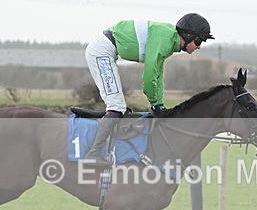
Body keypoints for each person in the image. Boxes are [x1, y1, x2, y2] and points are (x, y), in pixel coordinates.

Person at [82, 13, 214, 166]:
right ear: (188, 35)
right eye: (198, 41)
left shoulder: (169, 41)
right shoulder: (165, 39)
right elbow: (149, 76)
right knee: (116, 107)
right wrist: (154, 102)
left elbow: (158, 75)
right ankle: (93, 154)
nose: (198, 46)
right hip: (101, 52)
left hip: (107, 52)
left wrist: (159, 104)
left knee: (120, 108)